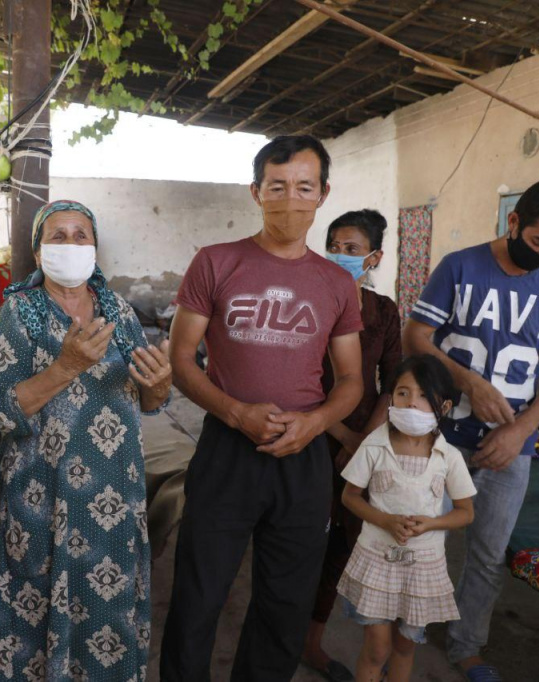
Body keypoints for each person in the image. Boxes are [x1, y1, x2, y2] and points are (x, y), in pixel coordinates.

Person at [160, 135, 364, 682]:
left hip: (303, 457)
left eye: (304, 187)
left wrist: (317, 423)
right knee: (199, 593)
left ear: (323, 193)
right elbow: (181, 359)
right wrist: (235, 413)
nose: (291, 200)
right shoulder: (216, 262)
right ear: (256, 192)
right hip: (228, 449)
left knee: (285, 602)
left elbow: (351, 380)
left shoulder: (339, 283)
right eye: (278, 187)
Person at [402, 178, 539, 682]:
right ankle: (408, 636)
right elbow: (416, 335)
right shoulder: (460, 267)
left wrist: (521, 429)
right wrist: (469, 382)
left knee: (487, 555)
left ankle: (467, 645)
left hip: (510, 445)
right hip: (440, 438)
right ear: (513, 223)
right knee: (422, 542)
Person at [0, 200, 171, 682]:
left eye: (81, 235)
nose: (70, 244)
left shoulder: (119, 311)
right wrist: (66, 367)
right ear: (39, 248)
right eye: (58, 236)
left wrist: (159, 384)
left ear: (95, 245)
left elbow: (148, 403)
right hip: (40, 498)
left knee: (108, 615)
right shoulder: (19, 311)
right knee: (34, 616)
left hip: (112, 500)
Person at [305, 209, 403, 681]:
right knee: (301, 539)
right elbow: (296, 383)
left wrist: (363, 443)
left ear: (374, 257)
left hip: (364, 442)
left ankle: (312, 640)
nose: (340, 256)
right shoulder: (307, 304)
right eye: (334, 246)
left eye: (351, 249)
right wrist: (341, 436)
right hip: (310, 435)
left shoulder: (383, 311)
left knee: (344, 543)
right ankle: (284, 636)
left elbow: (392, 382)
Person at [337, 355, 477, 682]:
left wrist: (431, 524)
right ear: (391, 398)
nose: (412, 403)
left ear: (442, 407)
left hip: (423, 566)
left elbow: (465, 512)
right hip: (377, 561)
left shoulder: (448, 456)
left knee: (405, 646)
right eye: (403, 393)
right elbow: (350, 496)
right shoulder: (374, 445)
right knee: (377, 648)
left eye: (424, 395)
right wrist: (385, 521)